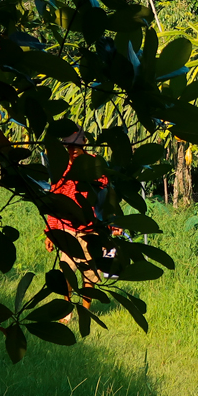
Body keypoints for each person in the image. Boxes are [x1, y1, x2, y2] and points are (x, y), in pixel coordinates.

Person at [44, 130, 112, 321]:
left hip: (90, 230)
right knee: (66, 271)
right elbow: (54, 202)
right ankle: (67, 311)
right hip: (67, 228)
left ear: (85, 143)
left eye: (77, 145)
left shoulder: (96, 167)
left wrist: (110, 225)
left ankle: (86, 311)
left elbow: (105, 197)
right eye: (70, 145)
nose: (73, 149)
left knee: (89, 275)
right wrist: (51, 232)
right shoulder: (61, 170)